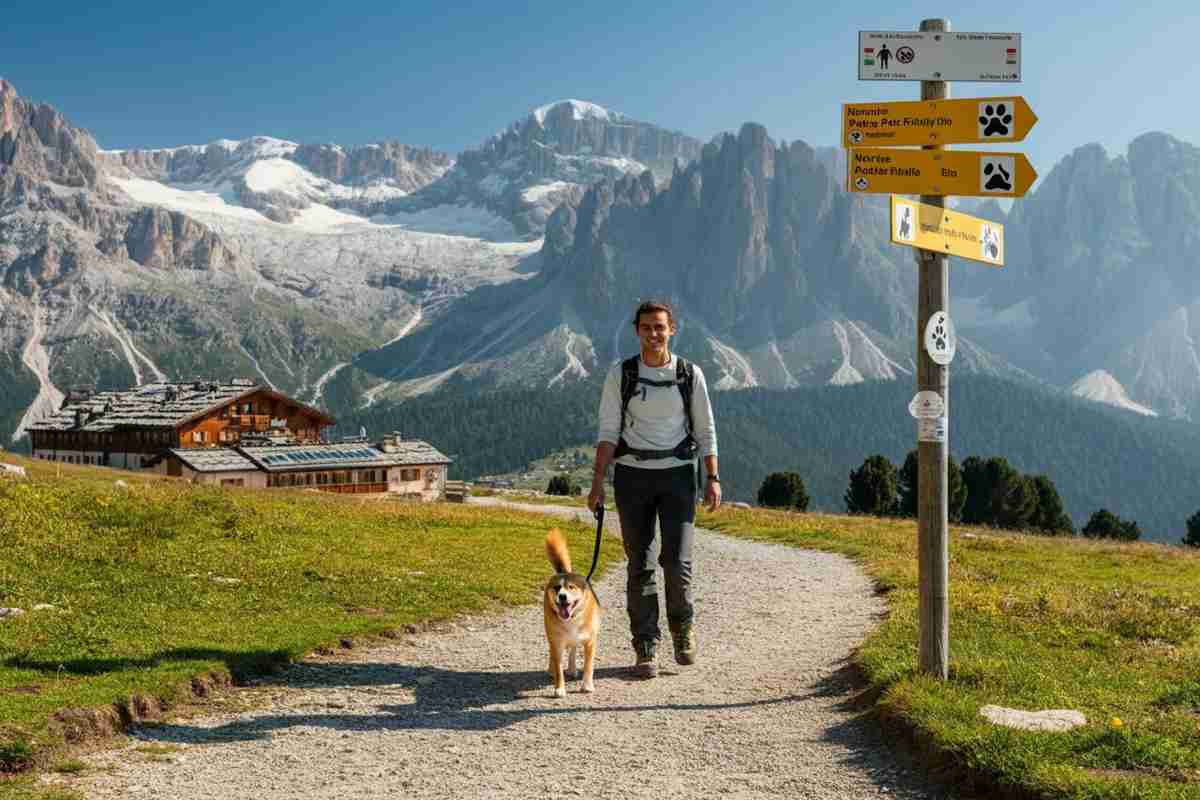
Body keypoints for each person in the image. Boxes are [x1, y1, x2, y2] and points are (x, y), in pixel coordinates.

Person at [588, 300, 720, 679]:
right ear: (637, 331)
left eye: (660, 327)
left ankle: (682, 630)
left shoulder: (689, 374)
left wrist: (712, 478)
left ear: (672, 330)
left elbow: (706, 429)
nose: (653, 334)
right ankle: (645, 643)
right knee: (640, 564)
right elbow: (608, 432)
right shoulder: (622, 374)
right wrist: (597, 484)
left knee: (677, 562)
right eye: (646, 327)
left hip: (679, 476)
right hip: (632, 477)